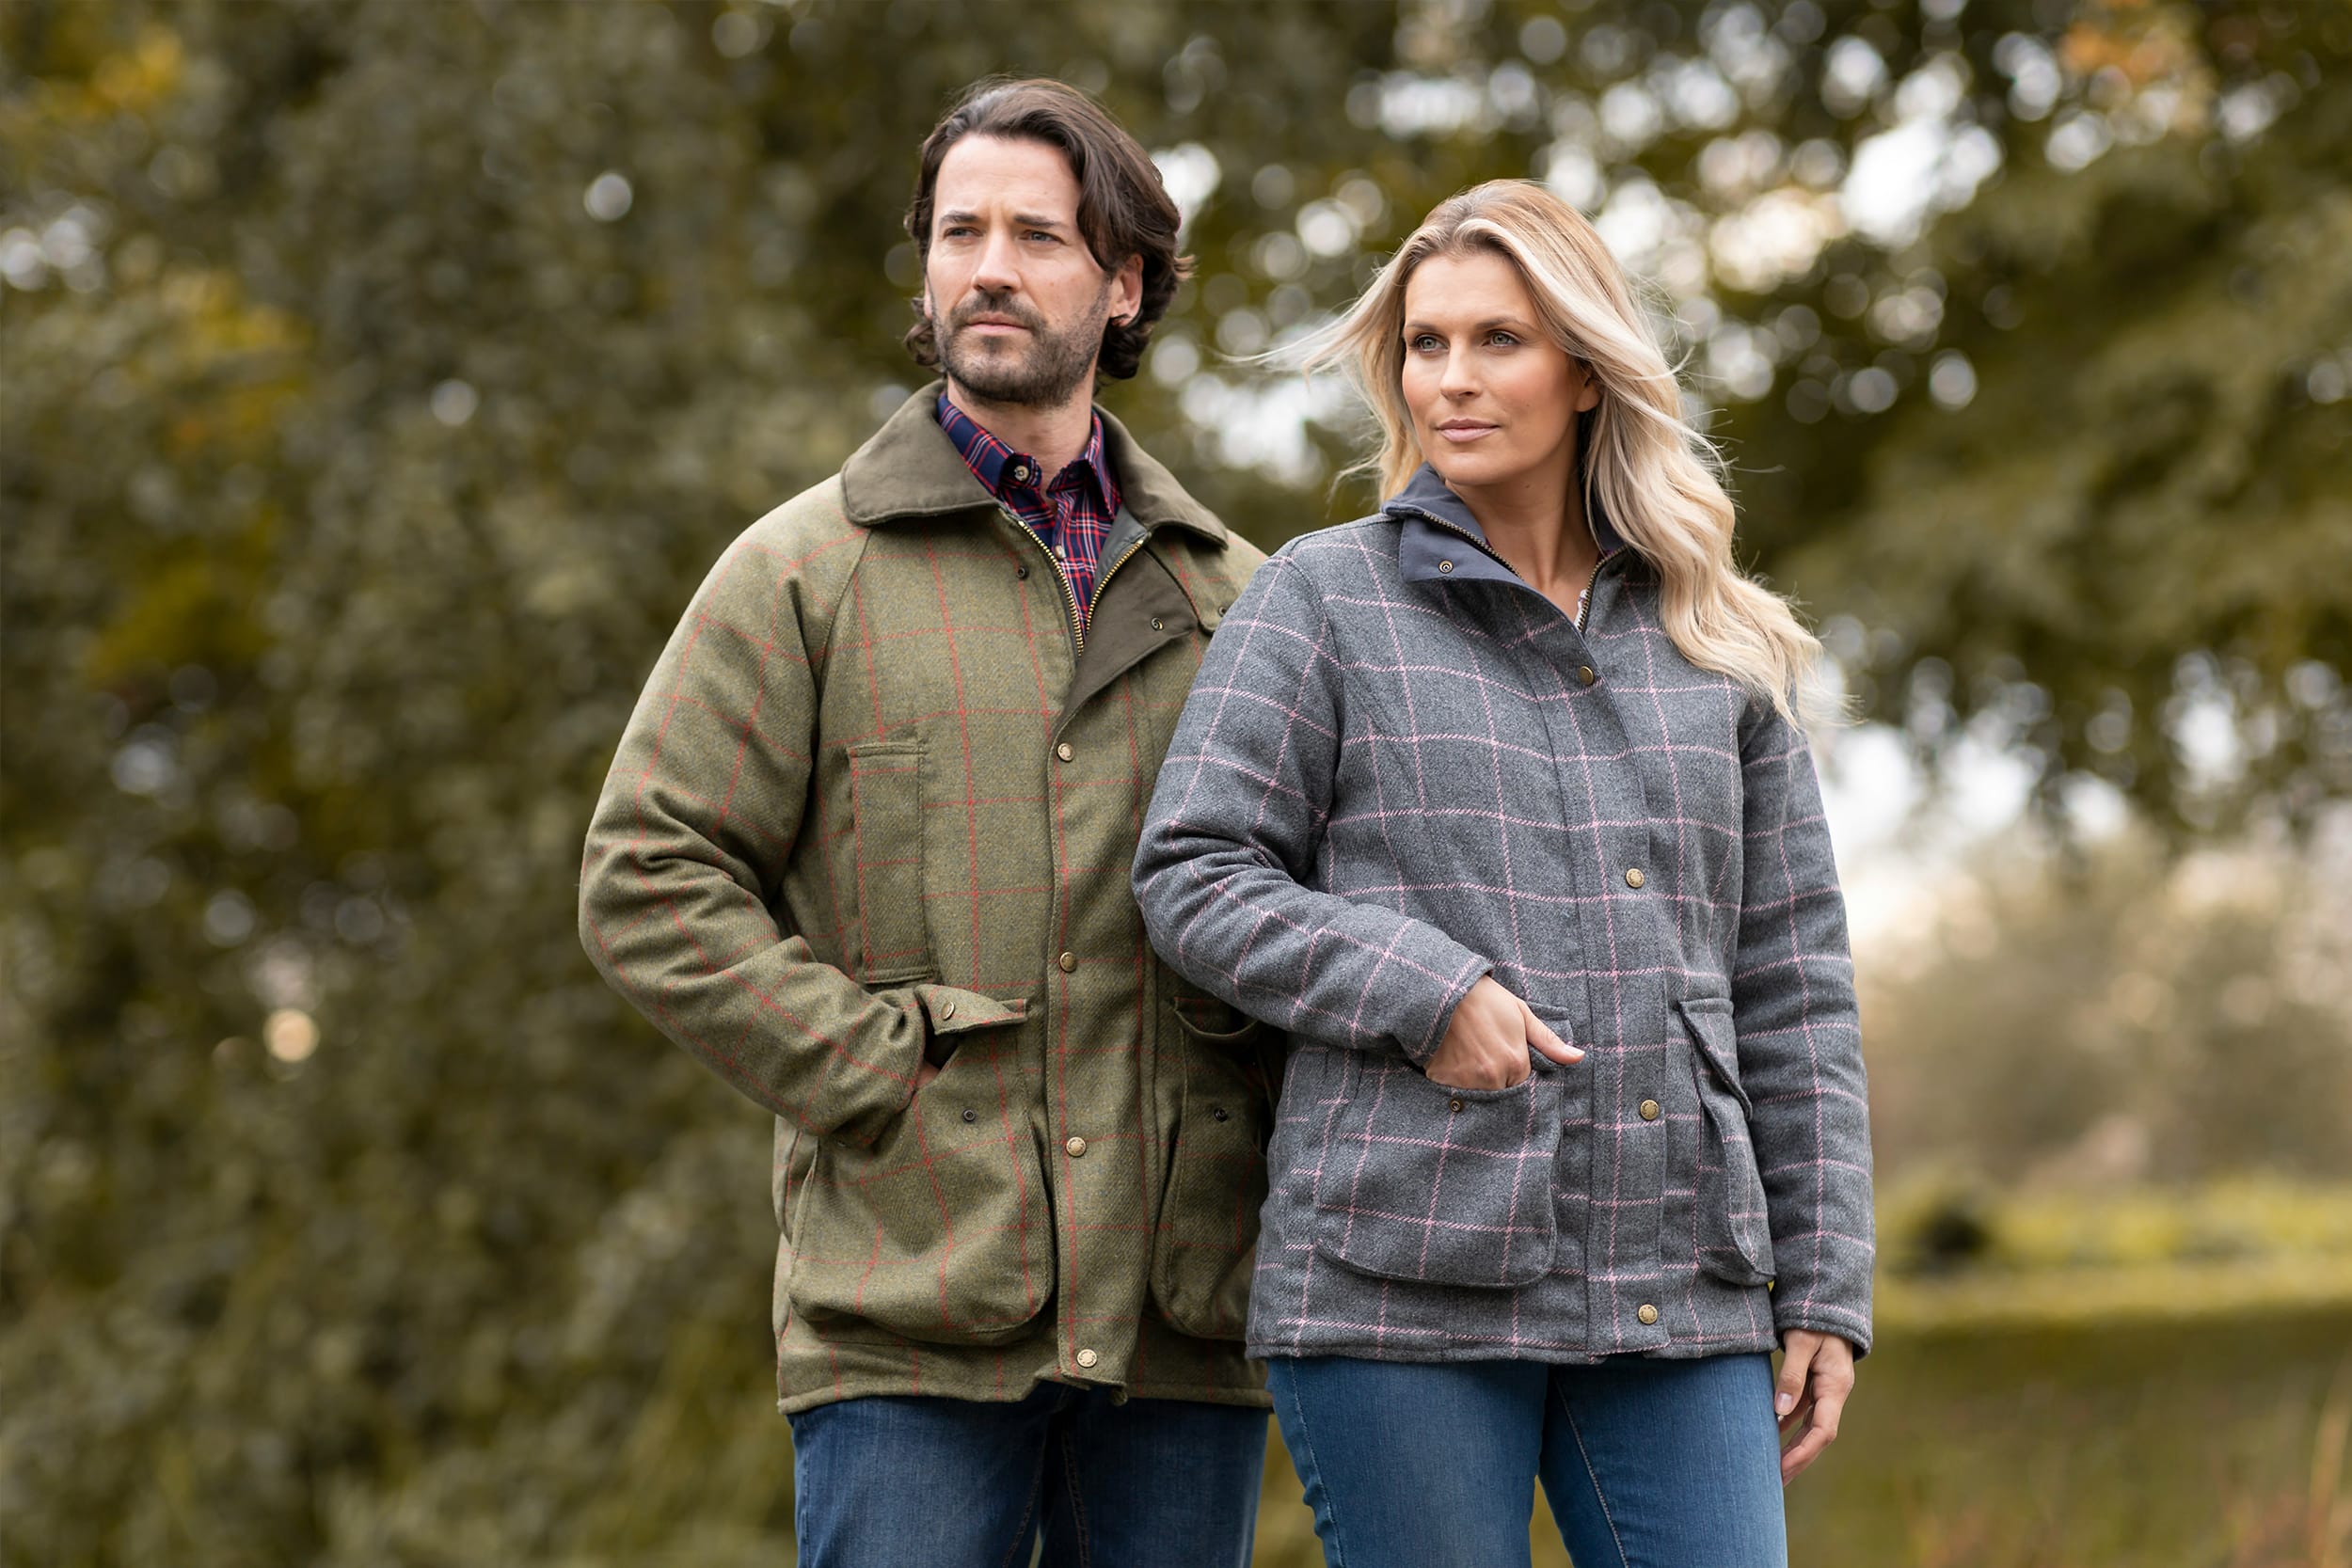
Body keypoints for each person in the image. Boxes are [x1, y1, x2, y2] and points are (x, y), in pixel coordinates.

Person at [579, 78, 1273, 1568]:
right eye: (961, 233)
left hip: (1183, 1315)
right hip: (907, 1300)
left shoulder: (1241, 599)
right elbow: (645, 875)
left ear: (1126, 282)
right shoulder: (803, 571)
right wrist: (875, 1073)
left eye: (1037, 235)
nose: (990, 268)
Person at [1132, 180, 1873, 1568]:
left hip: (1680, 1277)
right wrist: (1425, 988)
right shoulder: (1323, 599)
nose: (1452, 380)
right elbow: (1193, 871)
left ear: (1586, 371)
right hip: (1399, 1277)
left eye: (1498, 341)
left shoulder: (1714, 637)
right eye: (1426, 344)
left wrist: (1825, 1280)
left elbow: (1792, 979)